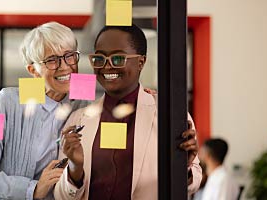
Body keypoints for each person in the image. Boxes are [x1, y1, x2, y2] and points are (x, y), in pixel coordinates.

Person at [54, 24, 202, 199]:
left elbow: (192, 185)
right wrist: (75, 169)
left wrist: (182, 167)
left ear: (141, 62)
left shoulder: (168, 114)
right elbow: (61, 196)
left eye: (117, 59)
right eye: (99, 59)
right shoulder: (78, 119)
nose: (107, 67)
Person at [0, 22, 87, 200]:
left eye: (69, 56)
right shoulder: (2, 101)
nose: (64, 66)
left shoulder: (82, 105)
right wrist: (32, 189)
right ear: (34, 70)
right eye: (52, 60)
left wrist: (142, 96)